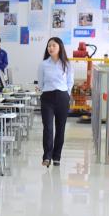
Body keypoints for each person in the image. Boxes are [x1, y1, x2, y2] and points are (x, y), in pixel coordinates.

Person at [38, 36, 74, 167]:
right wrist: (46, 90)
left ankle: (57, 156)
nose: (51, 48)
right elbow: (40, 83)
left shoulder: (67, 64)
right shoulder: (43, 64)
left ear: (60, 47)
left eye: (54, 45)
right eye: (49, 46)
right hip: (47, 97)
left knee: (60, 128)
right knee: (48, 127)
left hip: (62, 97)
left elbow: (70, 81)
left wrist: (67, 94)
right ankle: (47, 156)